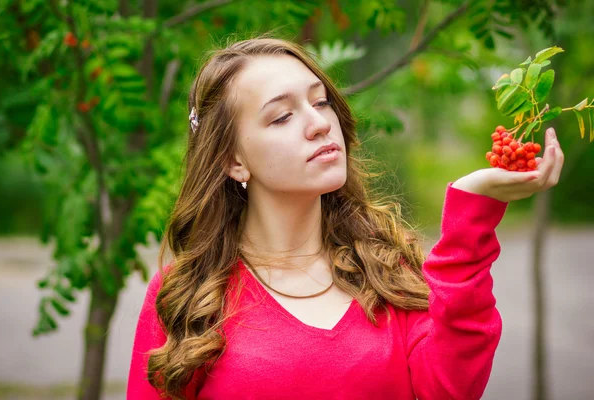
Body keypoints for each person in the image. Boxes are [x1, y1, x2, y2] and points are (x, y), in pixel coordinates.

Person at [127, 37, 564, 400]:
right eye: (282, 116)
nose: (318, 123)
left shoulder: (388, 271)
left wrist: (472, 214)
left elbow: (451, 390)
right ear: (232, 160)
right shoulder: (187, 297)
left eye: (321, 102)